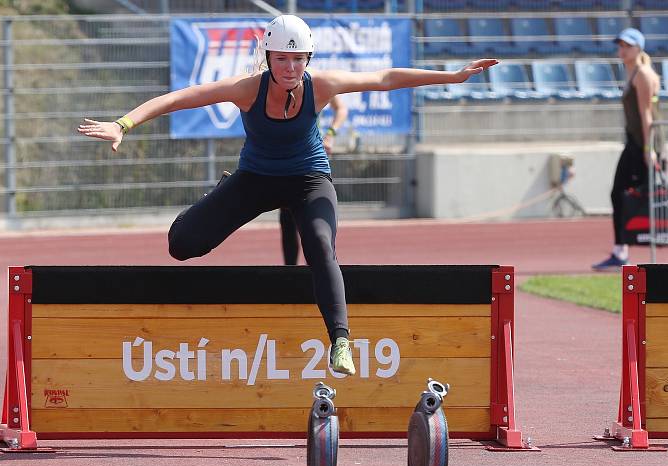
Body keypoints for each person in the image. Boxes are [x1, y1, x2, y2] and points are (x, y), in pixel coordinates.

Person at [78, 14, 498, 375]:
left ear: (308, 59)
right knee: (182, 245)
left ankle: (340, 341)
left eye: (299, 59)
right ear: (268, 58)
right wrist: (123, 124)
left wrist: (454, 75)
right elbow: (177, 99)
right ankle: (223, 190)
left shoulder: (322, 86)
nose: (291, 67)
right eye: (282, 58)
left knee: (319, 244)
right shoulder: (247, 89)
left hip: (309, 179)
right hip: (255, 178)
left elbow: (385, 78)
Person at [592, 28, 662, 271]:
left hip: (641, 142)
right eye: (620, 45)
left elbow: (646, 115)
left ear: (638, 48)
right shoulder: (632, 72)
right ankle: (620, 250)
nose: (621, 50)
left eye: (627, 46)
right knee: (629, 195)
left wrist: (648, 148)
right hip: (635, 141)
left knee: (642, 197)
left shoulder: (642, 74)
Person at [280, 94, 348, 265]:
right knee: (288, 220)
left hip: (310, 162)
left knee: (315, 225)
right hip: (282, 161)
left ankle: (321, 272)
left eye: (299, 64)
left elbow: (341, 108)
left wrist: (330, 134)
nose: (291, 67)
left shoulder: (317, 83)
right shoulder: (275, 82)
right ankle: (290, 275)